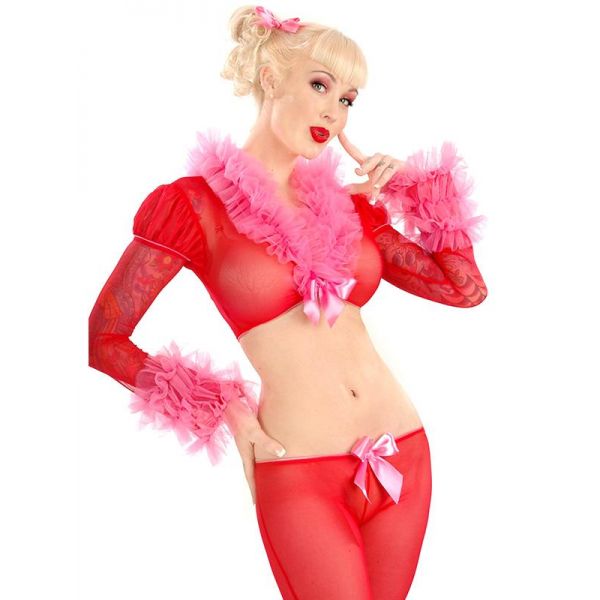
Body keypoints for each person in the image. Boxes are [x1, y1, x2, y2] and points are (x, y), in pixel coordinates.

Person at [88, 5, 488, 599]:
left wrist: (415, 186)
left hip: (402, 450)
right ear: (271, 78)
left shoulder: (352, 206)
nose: (334, 111)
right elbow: (104, 338)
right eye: (321, 86)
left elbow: (463, 289)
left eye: (348, 99)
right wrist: (226, 409)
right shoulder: (192, 206)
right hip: (300, 468)